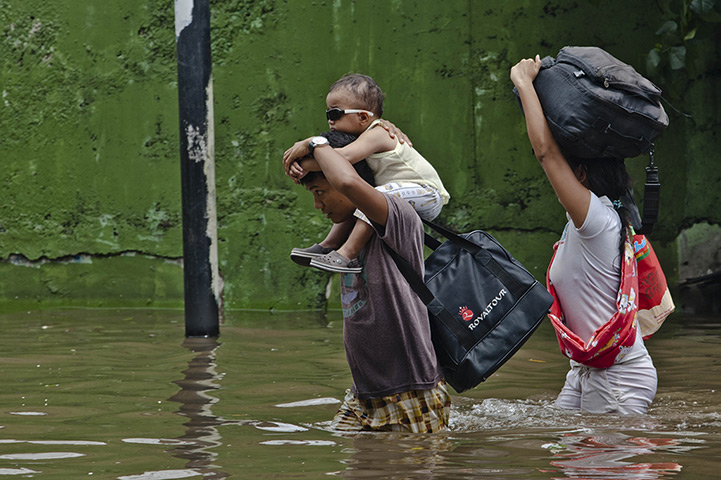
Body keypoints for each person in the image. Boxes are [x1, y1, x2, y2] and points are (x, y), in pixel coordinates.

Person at [510, 55, 657, 414]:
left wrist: (524, 83)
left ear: (581, 175)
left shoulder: (597, 221)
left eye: (568, 169)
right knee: (566, 456)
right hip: (586, 370)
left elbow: (546, 154)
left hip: (618, 378)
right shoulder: (591, 220)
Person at [296, 129, 450, 432]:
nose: (317, 205)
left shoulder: (394, 214)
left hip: (410, 388)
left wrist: (315, 145)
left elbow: (349, 181)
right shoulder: (348, 232)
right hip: (365, 391)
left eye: (320, 192)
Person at [283, 73, 450, 274]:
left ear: (363, 117)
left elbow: (343, 157)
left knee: (375, 194)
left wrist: (308, 152)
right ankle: (328, 245)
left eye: (334, 114)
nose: (329, 121)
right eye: (327, 113)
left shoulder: (379, 133)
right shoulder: (365, 136)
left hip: (427, 193)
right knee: (362, 198)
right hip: (400, 194)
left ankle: (348, 253)